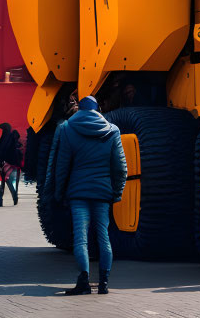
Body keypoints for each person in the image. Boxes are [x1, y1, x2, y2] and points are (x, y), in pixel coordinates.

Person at [52, 96, 127, 295]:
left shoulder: (68, 129)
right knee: (103, 236)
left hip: (78, 192)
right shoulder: (112, 131)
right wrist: (117, 192)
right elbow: (120, 167)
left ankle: (84, 281)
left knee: (81, 238)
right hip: (102, 193)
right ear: (98, 108)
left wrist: (59, 192)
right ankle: (104, 283)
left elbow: (62, 166)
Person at [0, 122, 24, 206]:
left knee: (6, 181)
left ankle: (7, 198)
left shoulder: (5, 138)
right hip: (15, 163)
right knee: (8, 181)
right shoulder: (14, 137)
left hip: (6, 163)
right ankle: (10, 198)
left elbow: (1, 150)